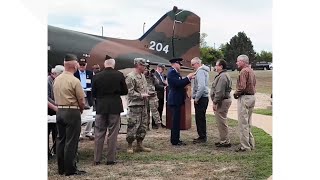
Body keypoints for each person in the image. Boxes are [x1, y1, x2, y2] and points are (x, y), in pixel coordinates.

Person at [53, 54, 86, 176]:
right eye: (77, 63)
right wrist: (81, 109)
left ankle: (61, 168)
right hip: (72, 111)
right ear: (74, 65)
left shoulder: (57, 79)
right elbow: (82, 100)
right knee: (71, 142)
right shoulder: (74, 80)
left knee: (61, 140)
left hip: (60, 110)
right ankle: (70, 169)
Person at [92, 57, 128, 165]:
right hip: (114, 106)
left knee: (99, 133)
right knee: (113, 133)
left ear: (104, 64)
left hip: (101, 106)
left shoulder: (97, 76)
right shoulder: (119, 75)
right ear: (113, 65)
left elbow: (93, 93)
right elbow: (124, 91)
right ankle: (110, 159)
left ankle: (97, 159)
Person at [125, 58, 152, 153]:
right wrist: (141, 95)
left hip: (143, 105)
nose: (145, 67)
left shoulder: (142, 76)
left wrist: (148, 93)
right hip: (135, 106)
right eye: (143, 65)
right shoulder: (130, 77)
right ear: (138, 65)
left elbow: (144, 88)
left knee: (143, 125)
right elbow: (130, 92)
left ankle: (140, 144)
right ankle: (129, 145)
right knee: (133, 125)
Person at [167, 58, 195, 146]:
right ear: (175, 64)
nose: (180, 66)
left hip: (177, 99)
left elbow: (180, 83)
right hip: (175, 100)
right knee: (175, 121)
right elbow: (178, 84)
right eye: (179, 64)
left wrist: (188, 79)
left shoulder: (175, 72)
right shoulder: (172, 72)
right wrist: (188, 77)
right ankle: (175, 140)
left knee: (177, 121)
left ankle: (176, 139)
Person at [233, 54, 256, 152]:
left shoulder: (243, 71)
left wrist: (235, 94)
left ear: (242, 62)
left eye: (238, 61)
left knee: (243, 123)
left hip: (245, 97)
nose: (236, 63)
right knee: (248, 122)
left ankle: (245, 147)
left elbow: (242, 87)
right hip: (252, 97)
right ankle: (251, 143)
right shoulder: (251, 71)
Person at [210, 59, 232, 147]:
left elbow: (219, 92)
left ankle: (225, 141)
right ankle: (223, 139)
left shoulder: (223, 76)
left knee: (221, 121)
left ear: (221, 66)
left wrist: (215, 102)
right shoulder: (222, 75)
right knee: (221, 121)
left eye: (216, 65)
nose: (215, 67)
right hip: (222, 101)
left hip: (222, 101)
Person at [191, 57, 210, 144]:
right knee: (201, 117)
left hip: (201, 98)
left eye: (193, 64)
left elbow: (201, 86)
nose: (192, 66)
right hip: (203, 97)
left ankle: (202, 136)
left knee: (200, 118)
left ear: (198, 63)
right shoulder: (202, 71)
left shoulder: (200, 72)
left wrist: (197, 98)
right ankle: (202, 135)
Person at [74, 58, 94, 140]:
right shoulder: (74, 74)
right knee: (78, 115)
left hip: (88, 95)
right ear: (78, 64)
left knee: (90, 114)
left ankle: (88, 132)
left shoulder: (90, 73)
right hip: (78, 96)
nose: (82, 66)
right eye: (80, 64)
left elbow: (93, 83)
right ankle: (78, 133)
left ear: (86, 65)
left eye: (83, 64)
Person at [48, 65, 65, 159]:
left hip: (56, 109)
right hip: (50, 109)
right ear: (55, 74)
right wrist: (56, 104)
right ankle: (47, 153)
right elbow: (47, 97)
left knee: (56, 131)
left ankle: (56, 151)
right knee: (48, 131)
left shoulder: (57, 81)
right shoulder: (48, 81)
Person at [153, 63, 167, 128]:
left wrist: (165, 84)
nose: (163, 70)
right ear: (158, 68)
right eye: (162, 68)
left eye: (163, 68)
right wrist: (163, 87)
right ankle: (154, 124)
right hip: (156, 94)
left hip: (161, 95)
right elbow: (155, 85)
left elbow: (163, 83)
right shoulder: (154, 75)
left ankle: (160, 122)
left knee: (160, 108)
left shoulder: (162, 75)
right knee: (156, 109)